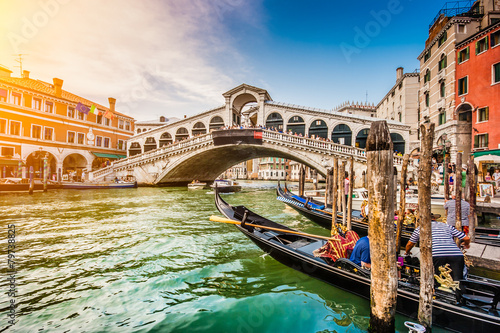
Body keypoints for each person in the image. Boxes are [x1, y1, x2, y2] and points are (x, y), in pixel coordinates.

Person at [405, 216, 470, 281]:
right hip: (456, 254)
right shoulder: (447, 226)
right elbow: (466, 238)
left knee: (438, 278)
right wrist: (466, 244)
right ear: (435, 219)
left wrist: (407, 252)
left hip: (436, 255)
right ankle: (460, 289)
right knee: (458, 280)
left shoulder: (420, 228)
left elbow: (410, 244)